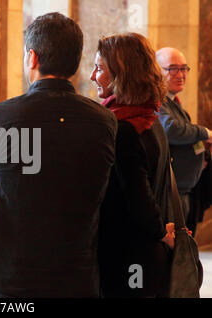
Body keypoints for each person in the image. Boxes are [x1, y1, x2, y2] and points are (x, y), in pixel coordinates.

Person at [0, 12, 117, 297]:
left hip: (14, 276)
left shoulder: (1, 116)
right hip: (77, 274)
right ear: (76, 62)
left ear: (32, 57)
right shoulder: (105, 121)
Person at [91, 33, 175, 297]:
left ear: (121, 75)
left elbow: (139, 198)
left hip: (128, 255)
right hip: (145, 253)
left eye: (100, 68)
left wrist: (160, 231)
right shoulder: (150, 117)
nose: (93, 76)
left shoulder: (124, 128)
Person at [156, 47, 212, 236]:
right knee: (178, 254)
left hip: (185, 190)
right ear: (157, 71)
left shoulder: (174, 104)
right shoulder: (157, 102)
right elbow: (171, 129)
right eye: (173, 68)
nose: (180, 75)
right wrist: (204, 132)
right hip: (172, 193)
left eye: (183, 68)